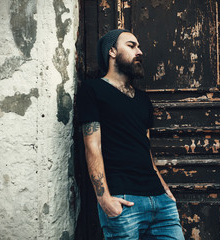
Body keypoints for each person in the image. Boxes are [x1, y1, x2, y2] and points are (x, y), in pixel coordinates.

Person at [77, 29, 184, 239]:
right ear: (112, 51)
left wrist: (165, 190)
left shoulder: (143, 99)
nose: (139, 51)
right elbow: (92, 146)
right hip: (123, 200)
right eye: (131, 45)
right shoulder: (92, 90)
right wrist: (104, 199)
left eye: (139, 46)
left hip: (160, 201)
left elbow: (146, 148)